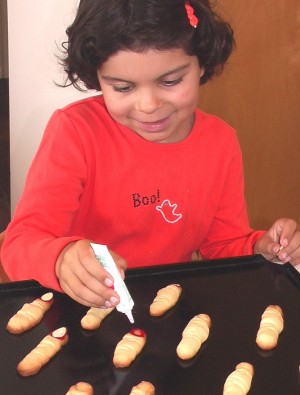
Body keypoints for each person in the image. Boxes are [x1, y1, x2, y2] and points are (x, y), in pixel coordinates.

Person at [2, 0, 300, 309]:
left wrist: (260, 247)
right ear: (98, 77)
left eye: (170, 81)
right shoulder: (76, 132)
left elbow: (223, 245)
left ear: (201, 64)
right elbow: (19, 243)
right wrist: (60, 260)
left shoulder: (220, 142)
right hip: (81, 311)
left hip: (168, 311)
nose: (148, 105)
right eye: (122, 87)